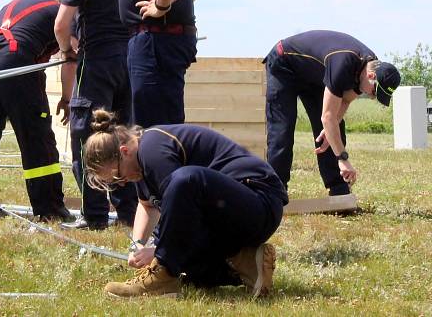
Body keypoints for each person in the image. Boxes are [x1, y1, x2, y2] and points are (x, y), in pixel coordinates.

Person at [84, 110, 287, 298]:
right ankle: (248, 265)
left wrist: (159, 251)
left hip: (260, 202)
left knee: (185, 180)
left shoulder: (152, 150)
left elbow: (180, 202)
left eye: (118, 176)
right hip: (234, 214)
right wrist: (137, 245)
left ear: (125, 151)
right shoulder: (140, 164)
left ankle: (162, 277)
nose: (123, 182)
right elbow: (146, 206)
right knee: (188, 272)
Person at [0, 0, 77, 221]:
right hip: (15, 58)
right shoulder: (62, 14)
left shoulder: (21, 3)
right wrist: (66, 98)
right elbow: (70, 57)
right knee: (36, 135)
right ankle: (50, 209)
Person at [52, 0, 137, 230]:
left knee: (86, 137)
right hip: (129, 62)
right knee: (123, 136)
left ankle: (95, 215)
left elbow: (61, 25)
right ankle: (129, 212)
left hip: (97, 62)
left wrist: (67, 50)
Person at [264, 30, 402, 195]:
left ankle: (339, 190)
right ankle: (274, 193)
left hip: (312, 73)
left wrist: (331, 128)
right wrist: (343, 159)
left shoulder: (369, 66)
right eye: (374, 92)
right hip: (284, 63)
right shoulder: (344, 63)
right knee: (282, 130)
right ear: (371, 76)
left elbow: (345, 100)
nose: (372, 97)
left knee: (334, 129)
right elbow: (327, 117)